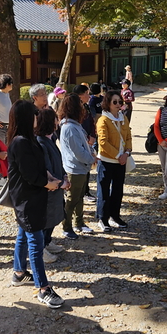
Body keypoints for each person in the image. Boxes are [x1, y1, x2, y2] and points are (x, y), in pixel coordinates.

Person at [7, 100, 65, 308]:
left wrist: (51, 179)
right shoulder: (20, 142)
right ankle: (43, 288)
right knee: (36, 242)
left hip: (34, 197)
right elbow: (31, 175)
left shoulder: (29, 140)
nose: (37, 118)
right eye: (34, 114)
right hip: (27, 199)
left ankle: (19, 272)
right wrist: (49, 184)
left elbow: (40, 168)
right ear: (25, 117)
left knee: (24, 234)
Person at [59, 94, 97, 239]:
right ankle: (66, 226)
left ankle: (79, 222)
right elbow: (78, 151)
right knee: (72, 199)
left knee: (79, 197)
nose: (83, 107)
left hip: (81, 167)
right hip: (75, 169)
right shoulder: (69, 127)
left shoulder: (75, 125)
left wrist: (92, 154)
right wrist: (91, 159)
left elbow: (84, 146)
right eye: (80, 105)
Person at [95, 90, 132, 232]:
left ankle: (115, 216)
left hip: (121, 160)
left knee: (118, 190)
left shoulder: (123, 118)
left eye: (120, 102)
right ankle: (102, 218)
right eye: (115, 102)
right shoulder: (103, 120)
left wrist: (127, 152)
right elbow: (103, 142)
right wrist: (118, 155)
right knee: (103, 190)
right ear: (108, 104)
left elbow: (128, 136)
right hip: (107, 160)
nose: (118, 105)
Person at [35, 108, 69, 262]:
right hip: (49, 188)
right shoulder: (41, 142)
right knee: (45, 218)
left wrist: (64, 175)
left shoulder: (50, 139)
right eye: (55, 119)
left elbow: (57, 161)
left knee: (54, 216)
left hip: (58, 186)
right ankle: (40, 249)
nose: (58, 122)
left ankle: (47, 242)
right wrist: (60, 182)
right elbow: (47, 168)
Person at [73, 84, 97, 203]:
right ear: (80, 96)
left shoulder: (86, 106)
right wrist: (85, 138)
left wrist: (92, 136)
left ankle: (86, 191)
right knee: (79, 167)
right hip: (79, 141)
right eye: (86, 93)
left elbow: (92, 122)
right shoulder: (72, 109)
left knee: (87, 166)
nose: (89, 96)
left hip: (89, 140)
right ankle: (79, 192)